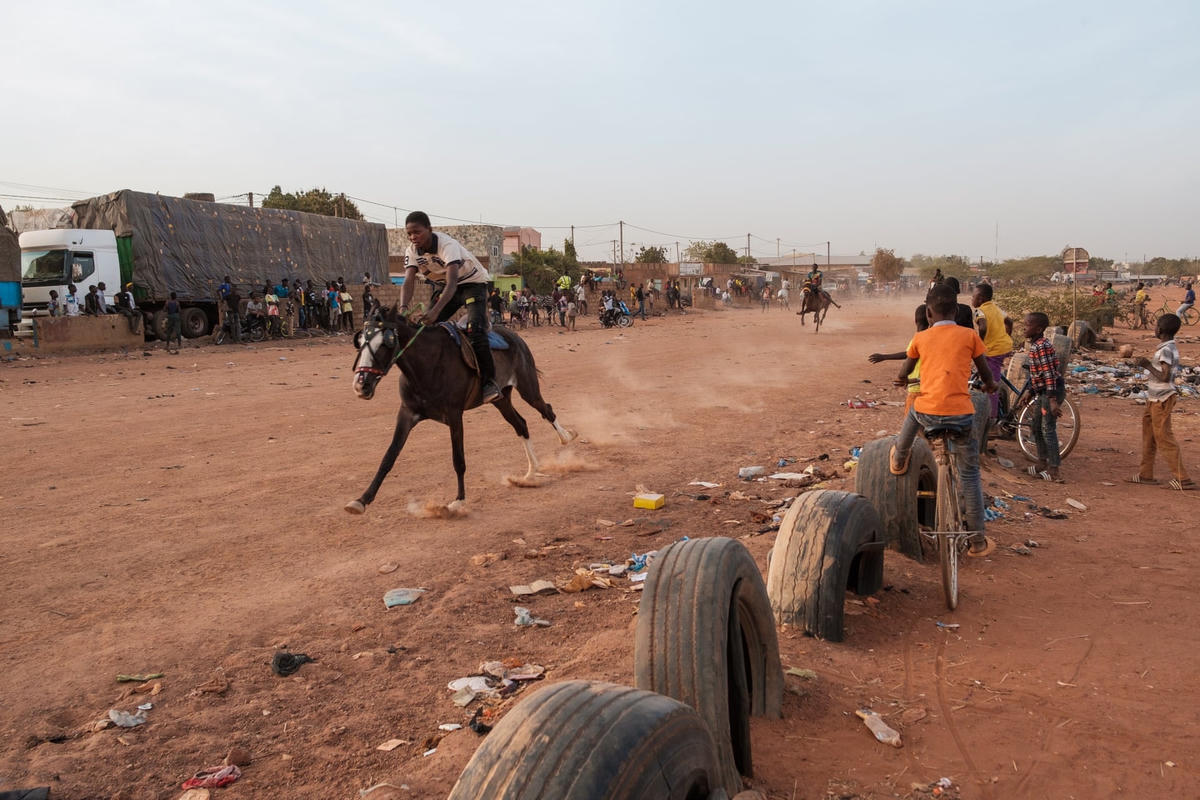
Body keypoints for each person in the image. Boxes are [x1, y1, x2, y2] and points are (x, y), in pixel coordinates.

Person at [890, 285, 997, 556]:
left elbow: (905, 369)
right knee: (970, 475)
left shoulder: (920, 338)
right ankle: (977, 541)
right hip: (961, 415)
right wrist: (990, 385)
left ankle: (899, 457)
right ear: (956, 310)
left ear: (928, 313)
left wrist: (901, 379)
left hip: (928, 412)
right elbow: (985, 372)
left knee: (913, 412)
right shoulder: (970, 335)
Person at [400, 211, 501, 403]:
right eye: (409, 234)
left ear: (429, 229)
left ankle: (489, 383)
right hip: (445, 287)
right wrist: (403, 308)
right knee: (424, 329)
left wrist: (435, 311)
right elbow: (408, 281)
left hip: (472, 284)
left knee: (475, 330)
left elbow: (453, 283)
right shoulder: (411, 251)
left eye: (417, 232)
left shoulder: (447, 245)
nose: (413, 237)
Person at [1127, 314, 1193, 490]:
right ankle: (1145, 474)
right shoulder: (1168, 347)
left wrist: (1147, 365)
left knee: (1164, 437)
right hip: (1154, 398)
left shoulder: (1165, 350)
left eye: (1156, 326)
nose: (1154, 329)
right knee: (1149, 436)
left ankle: (1183, 478)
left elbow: (1165, 376)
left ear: (1160, 330)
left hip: (1162, 399)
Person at [1023, 312, 1064, 482]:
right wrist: (1031, 391)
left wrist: (1052, 400)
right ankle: (1042, 462)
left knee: (1048, 429)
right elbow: (1038, 374)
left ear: (1039, 329)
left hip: (1050, 391)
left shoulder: (1041, 346)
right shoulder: (1036, 345)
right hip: (1042, 391)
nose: (1024, 328)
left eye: (1028, 325)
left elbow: (1048, 374)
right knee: (1036, 426)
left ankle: (1054, 469)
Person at [868, 303, 929, 414]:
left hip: (916, 388)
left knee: (911, 420)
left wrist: (885, 357)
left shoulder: (918, 338)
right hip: (928, 386)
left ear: (915, 320)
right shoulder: (931, 337)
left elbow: (908, 355)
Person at [971, 282, 1013, 421]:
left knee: (990, 385)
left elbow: (982, 327)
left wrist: (980, 343)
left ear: (981, 299)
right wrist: (1007, 337)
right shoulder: (996, 308)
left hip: (994, 350)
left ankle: (992, 418)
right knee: (993, 376)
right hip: (1005, 345)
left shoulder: (979, 311)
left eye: (973, 296)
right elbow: (1009, 321)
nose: (972, 299)